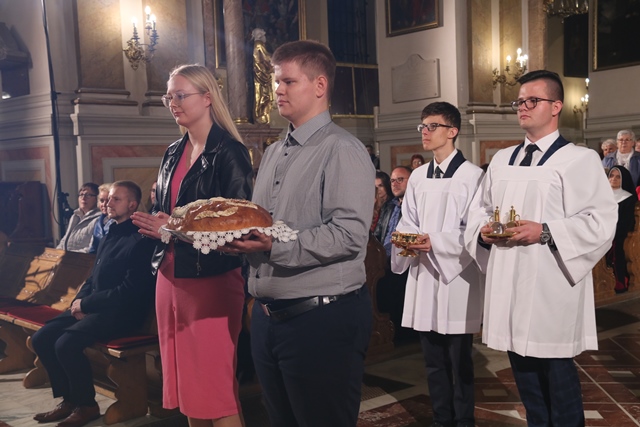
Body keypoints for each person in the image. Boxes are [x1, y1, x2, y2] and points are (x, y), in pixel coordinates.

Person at [219, 40, 375, 426]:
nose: (278, 90)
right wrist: (237, 239)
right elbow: (264, 223)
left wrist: (274, 244)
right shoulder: (274, 151)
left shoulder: (342, 149)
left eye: (288, 81)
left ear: (319, 85)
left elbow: (349, 235)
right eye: (276, 82)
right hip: (268, 317)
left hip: (321, 319)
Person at [464, 70, 617, 427]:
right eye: (519, 102)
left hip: (551, 284)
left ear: (556, 106)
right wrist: (484, 233)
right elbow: (479, 210)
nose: (523, 107)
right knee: (527, 383)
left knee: (557, 381)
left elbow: (601, 221)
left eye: (532, 101)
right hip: (509, 281)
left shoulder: (579, 159)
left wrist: (545, 231)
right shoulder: (502, 160)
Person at [131, 64, 252, 427]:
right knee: (189, 390)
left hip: (211, 282)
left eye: (180, 95)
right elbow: (168, 211)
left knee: (215, 389)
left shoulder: (229, 152)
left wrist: (173, 228)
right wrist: (159, 225)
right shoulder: (173, 151)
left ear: (207, 97)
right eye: (169, 97)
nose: (173, 103)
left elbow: (238, 227)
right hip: (170, 277)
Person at [31, 181, 157, 427]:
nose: (108, 203)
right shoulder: (110, 232)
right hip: (94, 306)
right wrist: (79, 301)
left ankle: (86, 405)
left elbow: (129, 291)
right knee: (42, 338)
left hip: (121, 312)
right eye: (108, 199)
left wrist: (87, 304)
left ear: (132, 205)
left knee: (66, 344)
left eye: (116, 199)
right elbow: (93, 275)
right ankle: (69, 400)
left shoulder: (141, 239)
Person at [393, 102, 484, 427]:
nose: (425, 132)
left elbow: (474, 230)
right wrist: (404, 239)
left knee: (460, 361)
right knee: (432, 360)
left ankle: (464, 420)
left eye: (433, 126)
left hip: (457, 278)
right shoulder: (418, 177)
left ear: (452, 131)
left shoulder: (472, 176)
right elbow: (407, 219)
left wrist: (435, 242)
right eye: (423, 126)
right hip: (424, 275)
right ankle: (442, 419)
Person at [373, 166, 412, 339]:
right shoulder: (388, 207)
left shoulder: (415, 207)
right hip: (384, 260)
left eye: (400, 180)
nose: (395, 184)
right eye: (393, 180)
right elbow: (378, 234)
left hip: (406, 262)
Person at [606, 165, 637, 294]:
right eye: (611, 176)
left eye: (618, 177)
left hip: (619, 234)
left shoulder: (628, 199)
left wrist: (610, 232)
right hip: (601, 232)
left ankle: (618, 282)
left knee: (616, 247)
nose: (613, 179)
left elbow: (626, 223)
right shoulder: (601, 196)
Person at [57, 183, 101, 253]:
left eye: (88, 195)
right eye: (81, 195)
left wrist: (69, 255)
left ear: (97, 198)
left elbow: (92, 248)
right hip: (68, 257)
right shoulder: (75, 216)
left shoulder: (99, 219)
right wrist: (57, 253)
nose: (83, 198)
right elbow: (64, 240)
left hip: (84, 258)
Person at [252, 28, 274, 124]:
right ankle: (261, 116)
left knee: (262, 95)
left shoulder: (257, 44)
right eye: (263, 35)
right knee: (263, 95)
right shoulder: (259, 44)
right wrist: (275, 59)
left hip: (261, 71)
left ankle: (261, 115)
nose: (265, 37)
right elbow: (266, 57)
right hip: (261, 72)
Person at [89, 183, 114, 253]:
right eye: (102, 201)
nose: (104, 204)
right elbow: (94, 246)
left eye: (108, 200)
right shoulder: (98, 221)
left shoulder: (118, 221)